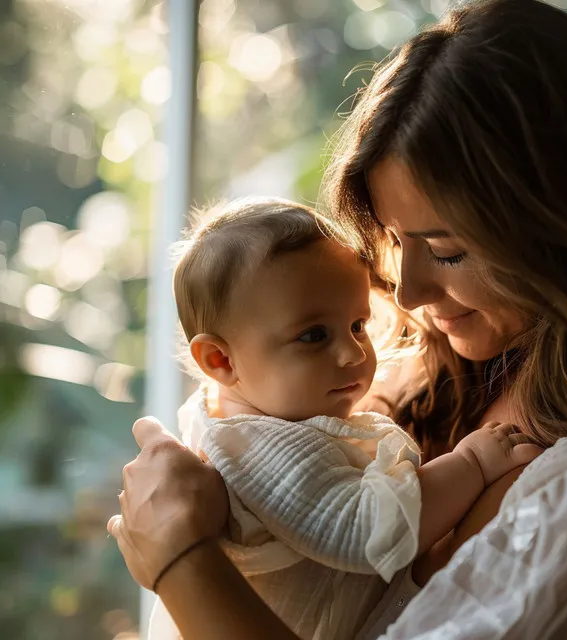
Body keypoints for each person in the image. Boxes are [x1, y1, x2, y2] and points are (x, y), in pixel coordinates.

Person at [108, 0, 567, 638]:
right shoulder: (408, 382)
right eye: (395, 239)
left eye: (447, 251)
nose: (407, 294)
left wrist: (180, 561)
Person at [147, 197, 539, 640]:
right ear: (220, 360)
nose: (354, 353)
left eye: (358, 325)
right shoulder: (257, 447)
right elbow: (368, 529)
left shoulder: (269, 417)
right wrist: (472, 464)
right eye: (314, 336)